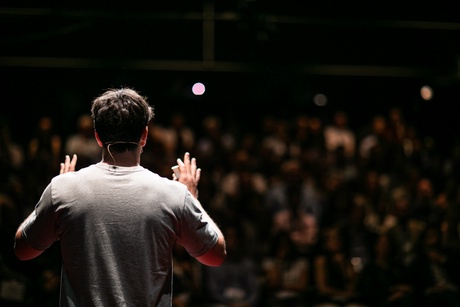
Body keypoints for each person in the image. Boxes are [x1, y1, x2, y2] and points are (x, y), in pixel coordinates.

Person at [13, 87, 227, 307]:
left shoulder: (63, 189)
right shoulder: (174, 194)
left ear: (97, 136)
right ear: (144, 135)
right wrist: (192, 198)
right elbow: (215, 255)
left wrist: (58, 194)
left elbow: (23, 250)